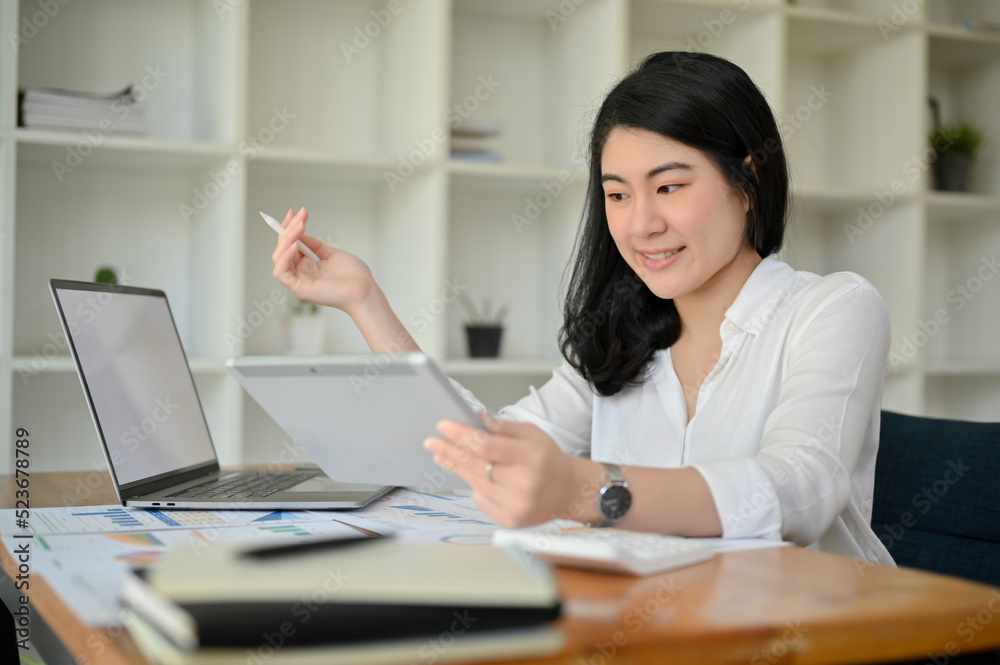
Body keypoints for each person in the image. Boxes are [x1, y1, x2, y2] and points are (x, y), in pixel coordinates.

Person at [271, 51, 894, 565]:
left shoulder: (832, 309)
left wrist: (589, 489)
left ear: (748, 180)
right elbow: (484, 454)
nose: (642, 223)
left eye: (669, 186)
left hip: (819, 631)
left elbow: (802, 490)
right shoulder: (624, 338)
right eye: (617, 194)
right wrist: (364, 302)